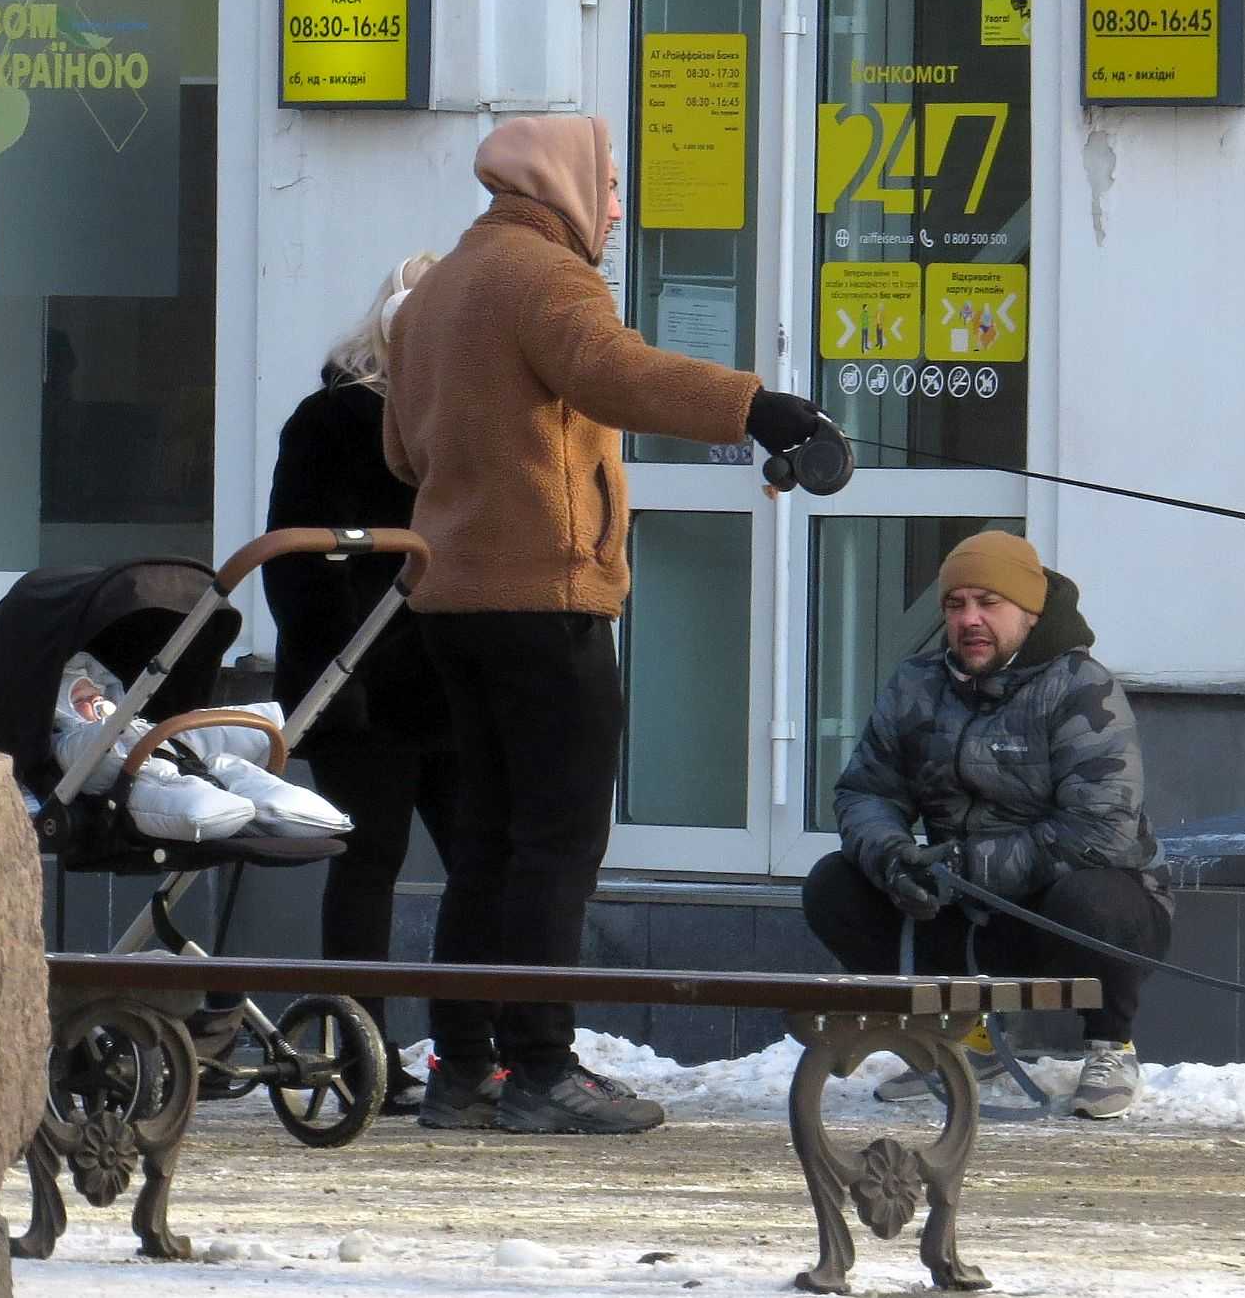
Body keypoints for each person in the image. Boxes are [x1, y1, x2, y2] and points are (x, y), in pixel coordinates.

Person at [384, 115, 828, 1135]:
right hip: (546, 599)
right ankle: (542, 1069)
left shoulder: (436, 291)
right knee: (556, 843)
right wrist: (752, 405)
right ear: (562, 181)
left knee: (485, 844)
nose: (619, 208)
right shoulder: (545, 275)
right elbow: (612, 370)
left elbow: (403, 453)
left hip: (449, 602)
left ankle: (464, 1068)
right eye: (612, 185)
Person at [802, 531, 1172, 1120]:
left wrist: (964, 867)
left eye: (988, 603)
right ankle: (958, 1033)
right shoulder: (916, 684)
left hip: (1069, 907)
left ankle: (1110, 1045)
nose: (969, 619)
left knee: (1094, 898)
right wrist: (895, 858)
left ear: (1029, 612)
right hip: (961, 903)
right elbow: (865, 791)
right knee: (833, 884)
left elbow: (1099, 830)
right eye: (956, 604)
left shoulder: (1082, 686)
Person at [260, 253, 456, 1116]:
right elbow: (297, 564)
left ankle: (468, 1051)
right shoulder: (333, 419)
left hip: (439, 677)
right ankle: (362, 1054)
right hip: (360, 679)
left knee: (476, 858)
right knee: (371, 862)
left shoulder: (455, 414)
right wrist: (342, 672)